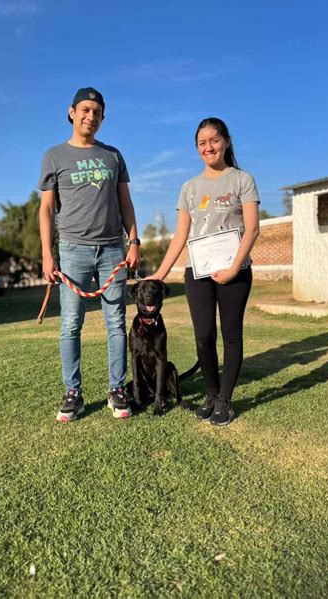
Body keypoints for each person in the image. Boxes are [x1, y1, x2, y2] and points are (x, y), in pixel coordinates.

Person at [148, 117, 260, 426]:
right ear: (196, 148)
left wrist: (233, 268)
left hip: (235, 272)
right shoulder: (189, 188)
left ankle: (225, 400)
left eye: (213, 140)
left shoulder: (242, 179)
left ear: (226, 141)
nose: (208, 147)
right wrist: (158, 274)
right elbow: (180, 236)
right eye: (201, 143)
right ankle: (212, 393)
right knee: (203, 336)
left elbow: (252, 230)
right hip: (197, 273)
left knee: (231, 335)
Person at [38, 87, 141, 422]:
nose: (90, 116)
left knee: (115, 322)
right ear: (71, 112)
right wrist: (47, 255)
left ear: (102, 117)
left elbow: (125, 202)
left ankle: (117, 389)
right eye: (85, 110)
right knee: (70, 324)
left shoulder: (113, 156)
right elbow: (46, 209)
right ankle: (73, 393)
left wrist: (134, 240)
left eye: (97, 112)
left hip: (112, 248)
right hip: (72, 251)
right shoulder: (54, 156)